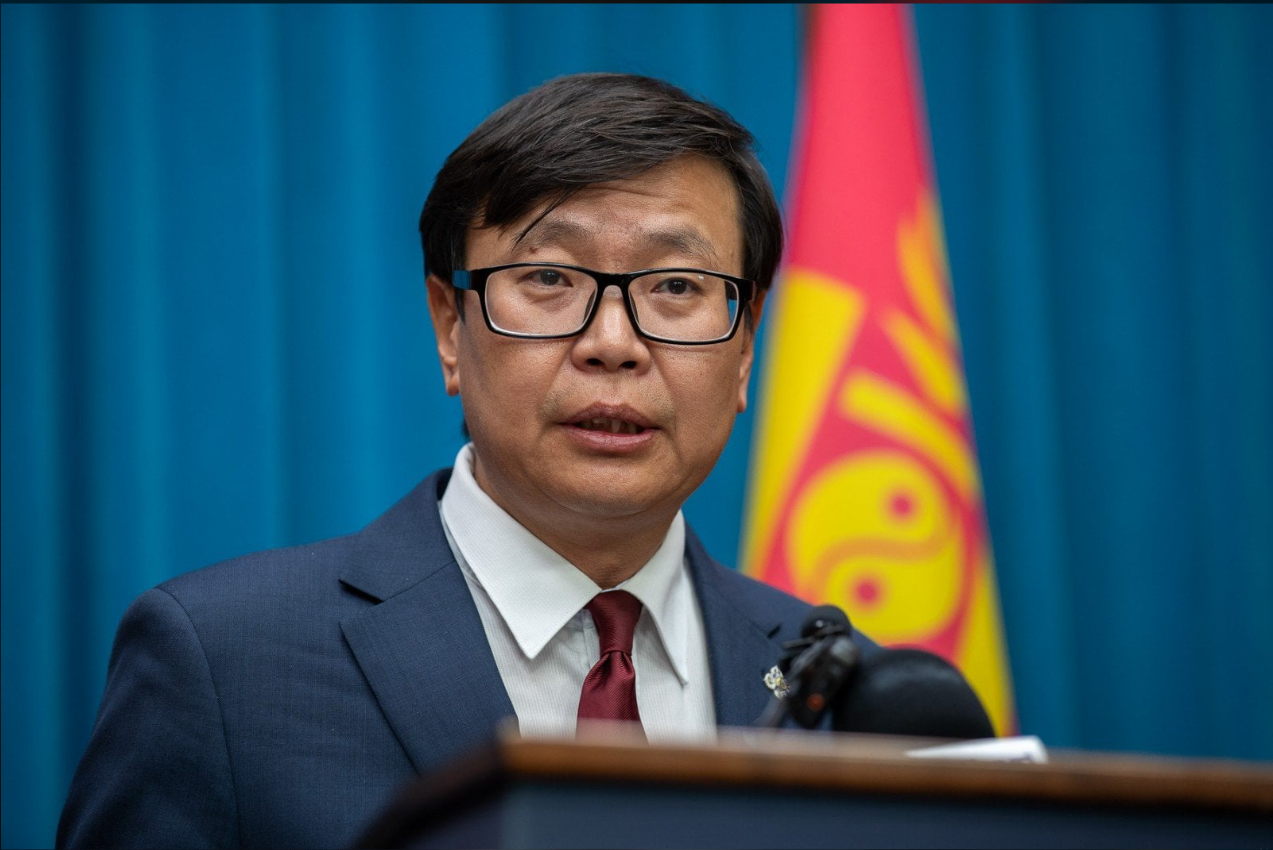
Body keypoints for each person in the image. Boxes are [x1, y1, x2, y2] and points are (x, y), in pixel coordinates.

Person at [57, 72, 878, 849]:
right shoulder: (223, 661)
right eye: (549, 277)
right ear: (450, 325)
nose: (613, 344)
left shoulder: (856, 697)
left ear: (745, 348)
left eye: (675, 287)